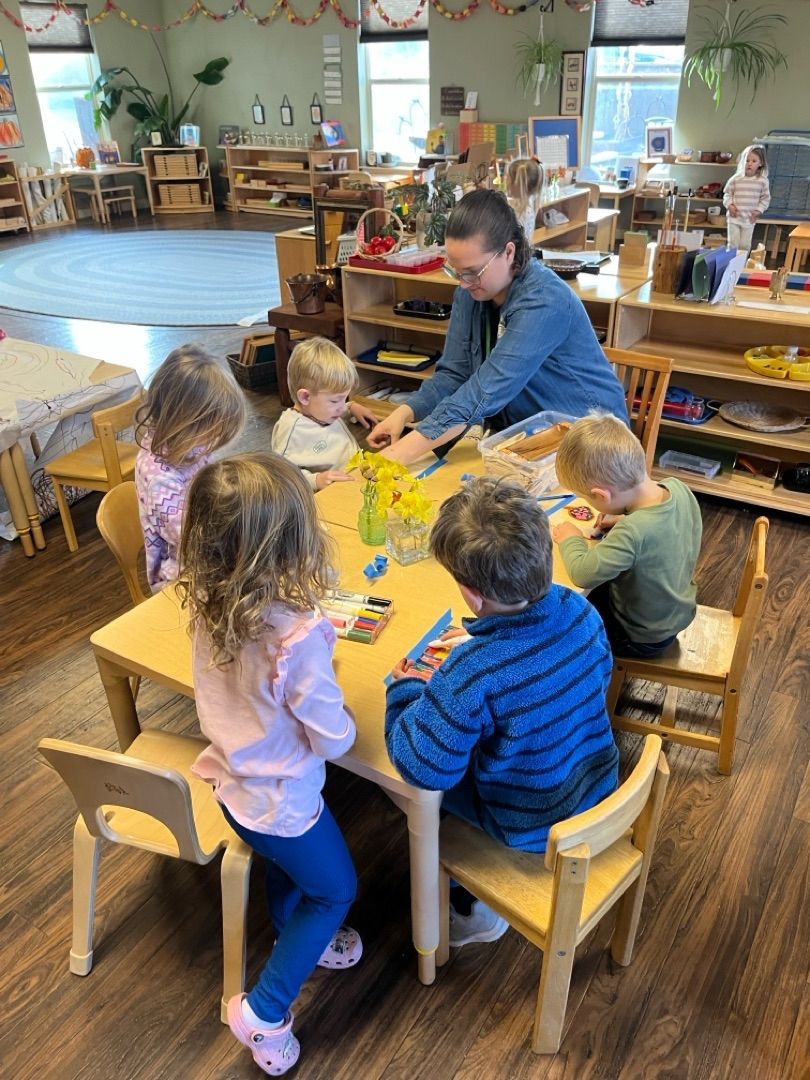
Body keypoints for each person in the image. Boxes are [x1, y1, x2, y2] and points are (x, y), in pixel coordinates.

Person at [179, 452, 362, 1077]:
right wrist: (346, 716)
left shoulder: (212, 603)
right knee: (336, 890)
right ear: (293, 541)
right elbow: (333, 741)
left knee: (290, 869)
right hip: (281, 799)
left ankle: (294, 930)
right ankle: (265, 1013)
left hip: (232, 785)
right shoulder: (298, 635)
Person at [385, 476, 619, 947]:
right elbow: (566, 673)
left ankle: (472, 903)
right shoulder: (578, 609)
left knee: (400, 787)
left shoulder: (474, 672)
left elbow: (423, 767)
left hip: (529, 820)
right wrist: (481, 644)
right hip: (594, 785)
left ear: (472, 595)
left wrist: (404, 691)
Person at [367, 189, 628, 465]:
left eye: (472, 272)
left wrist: (394, 457)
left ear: (509, 252)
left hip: (593, 441)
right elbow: (455, 374)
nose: (463, 283)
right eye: (456, 271)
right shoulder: (471, 293)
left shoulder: (545, 301)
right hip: (526, 437)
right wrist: (404, 413)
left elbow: (483, 393)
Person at [551, 412, 702, 658]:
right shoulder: (678, 488)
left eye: (587, 498)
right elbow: (661, 529)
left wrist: (571, 539)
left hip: (639, 636)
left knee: (564, 618)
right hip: (676, 613)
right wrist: (625, 517)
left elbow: (582, 574)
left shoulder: (633, 532)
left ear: (601, 495)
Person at [135, 344, 246, 593]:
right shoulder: (159, 478)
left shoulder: (190, 443)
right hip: (180, 578)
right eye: (210, 430)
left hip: (210, 551)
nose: (212, 441)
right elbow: (192, 541)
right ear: (182, 420)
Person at [271, 337, 378, 490]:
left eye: (345, 399)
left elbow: (337, 411)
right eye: (335, 401)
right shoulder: (291, 431)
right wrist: (315, 480)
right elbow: (281, 474)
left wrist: (351, 407)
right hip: (328, 493)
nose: (341, 407)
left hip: (353, 479)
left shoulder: (320, 411)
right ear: (305, 397)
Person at [723, 145, 770, 254]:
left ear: (761, 163)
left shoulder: (762, 181)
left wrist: (758, 210)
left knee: (744, 245)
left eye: (754, 161)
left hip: (749, 219)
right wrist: (729, 205)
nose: (749, 163)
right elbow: (727, 194)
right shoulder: (736, 179)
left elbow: (765, 199)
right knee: (733, 244)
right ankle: (730, 262)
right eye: (747, 160)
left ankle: (741, 262)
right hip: (734, 218)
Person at [505, 156, 544, 241]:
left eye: (508, 178)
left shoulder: (521, 213)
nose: (506, 181)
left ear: (518, 184)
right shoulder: (527, 203)